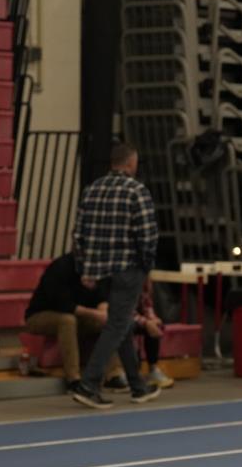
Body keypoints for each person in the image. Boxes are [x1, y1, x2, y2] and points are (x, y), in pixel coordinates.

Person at [69, 143, 161, 409]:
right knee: (117, 326)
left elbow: (78, 234)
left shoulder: (92, 189)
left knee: (122, 324)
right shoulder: (136, 190)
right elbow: (148, 236)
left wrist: (85, 269)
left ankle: (137, 386)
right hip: (127, 268)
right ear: (131, 163)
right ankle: (89, 384)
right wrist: (146, 267)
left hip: (100, 270)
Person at [24, 252, 121, 391]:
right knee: (67, 320)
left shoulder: (98, 266)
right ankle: (73, 379)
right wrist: (95, 314)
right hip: (40, 315)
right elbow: (63, 304)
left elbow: (103, 295)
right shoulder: (60, 267)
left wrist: (103, 312)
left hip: (79, 317)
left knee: (108, 321)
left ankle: (113, 374)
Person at [133, 277, 175, 389]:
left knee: (155, 326)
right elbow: (124, 312)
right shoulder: (124, 279)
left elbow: (147, 305)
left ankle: (153, 370)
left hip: (136, 318)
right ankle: (132, 374)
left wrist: (153, 319)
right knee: (132, 327)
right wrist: (146, 323)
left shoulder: (144, 279)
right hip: (120, 320)